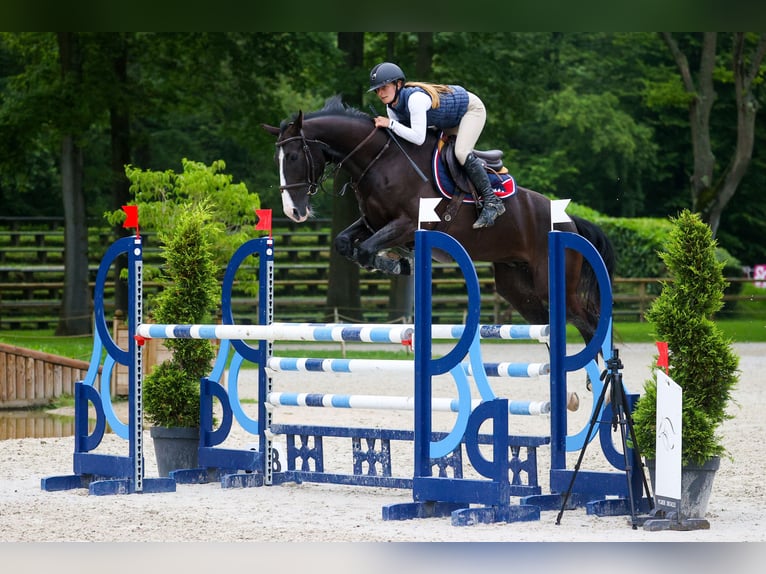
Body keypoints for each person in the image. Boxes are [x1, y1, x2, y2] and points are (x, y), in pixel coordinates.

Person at [368, 62, 505, 229]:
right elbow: (403, 139)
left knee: (461, 152)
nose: (380, 93)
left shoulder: (415, 99)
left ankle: (492, 201)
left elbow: (418, 137)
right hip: (447, 120)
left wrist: (390, 124)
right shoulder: (392, 107)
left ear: (398, 84)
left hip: (470, 110)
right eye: (377, 90)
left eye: (384, 87)